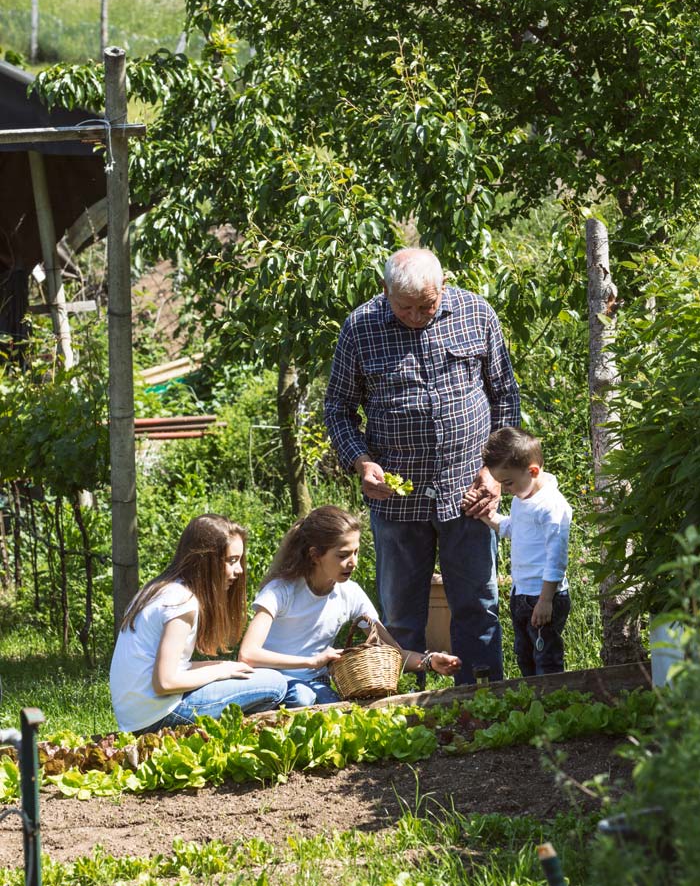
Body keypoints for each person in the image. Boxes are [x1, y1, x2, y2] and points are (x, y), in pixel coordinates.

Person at [324, 247, 520, 684]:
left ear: (443, 287)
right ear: (384, 291)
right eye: (404, 306)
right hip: (395, 505)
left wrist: (494, 471)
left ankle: (482, 701)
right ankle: (402, 713)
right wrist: (361, 462)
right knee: (399, 615)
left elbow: (505, 395)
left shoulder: (477, 313)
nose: (416, 315)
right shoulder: (360, 328)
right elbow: (338, 408)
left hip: (470, 494)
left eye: (426, 305)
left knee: (477, 604)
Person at [239, 505, 462, 706]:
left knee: (338, 706)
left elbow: (393, 652)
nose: (353, 562)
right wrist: (311, 661)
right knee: (302, 698)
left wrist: (430, 661)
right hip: (270, 679)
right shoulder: (281, 591)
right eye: (343, 555)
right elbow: (248, 654)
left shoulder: (350, 593)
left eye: (356, 552)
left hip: (315, 682)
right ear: (315, 555)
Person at [109, 514, 288, 734]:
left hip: (137, 715)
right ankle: (222, 741)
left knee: (243, 672)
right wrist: (219, 671)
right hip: (158, 716)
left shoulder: (160, 590)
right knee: (275, 684)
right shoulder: (182, 602)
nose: (239, 569)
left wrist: (222, 666)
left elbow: (168, 670)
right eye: (231, 560)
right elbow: (164, 682)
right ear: (206, 560)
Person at [470, 427, 572, 677]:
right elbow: (511, 528)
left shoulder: (551, 506)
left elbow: (556, 559)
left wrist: (546, 599)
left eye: (508, 483)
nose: (505, 490)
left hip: (544, 595)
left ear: (533, 470)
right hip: (522, 595)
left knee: (546, 658)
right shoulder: (523, 498)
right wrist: (486, 516)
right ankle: (533, 707)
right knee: (525, 656)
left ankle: (551, 706)